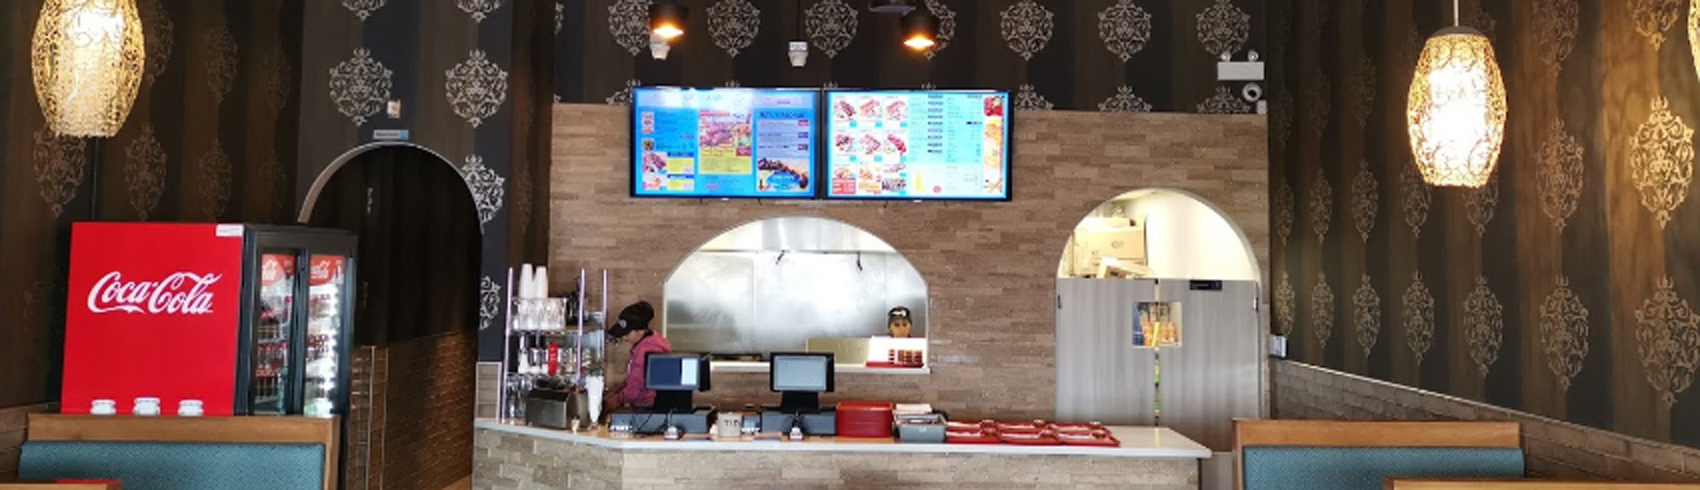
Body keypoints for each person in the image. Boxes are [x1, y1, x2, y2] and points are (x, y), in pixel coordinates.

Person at [606, 301, 672, 409]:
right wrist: (616, 390)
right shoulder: (647, 343)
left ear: (641, 331)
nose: (624, 337)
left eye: (627, 334)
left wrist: (616, 400)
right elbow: (633, 379)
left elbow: (635, 389)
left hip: (647, 408)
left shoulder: (647, 351)